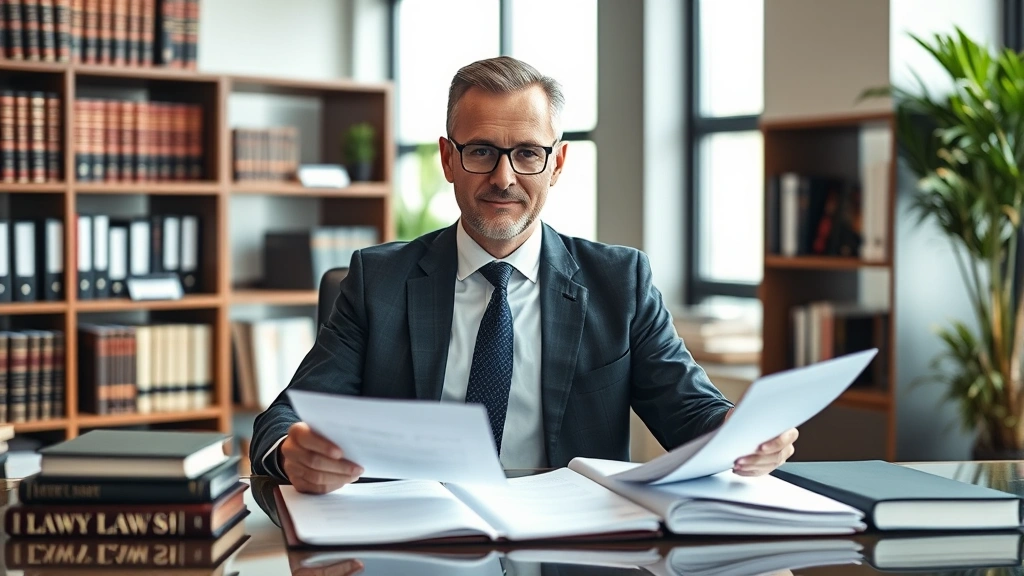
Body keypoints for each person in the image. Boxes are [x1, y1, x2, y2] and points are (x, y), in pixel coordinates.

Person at [250, 56, 798, 494]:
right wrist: (294, 454)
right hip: (417, 540)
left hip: (569, 546)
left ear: (557, 164)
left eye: (529, 153)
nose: (504, 177)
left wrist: (744, 436)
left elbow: (692, 412)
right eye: (482, 151)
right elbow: (285, 419)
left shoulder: (619, 282)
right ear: (447, 159)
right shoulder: (379, 280)